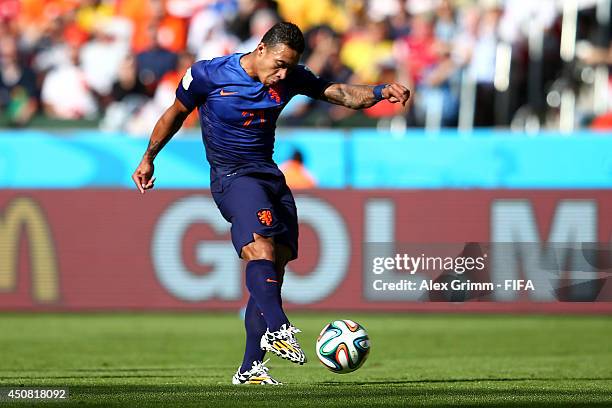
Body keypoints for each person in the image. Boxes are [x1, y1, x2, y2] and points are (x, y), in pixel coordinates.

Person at [131, 22, 410, 385]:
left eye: (288, 68)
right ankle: (279, 328)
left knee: (273, 271)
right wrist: (149, 157)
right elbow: (174, 114)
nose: (280, 75)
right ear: (260, 49)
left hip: (268, 176)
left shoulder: (290, 77)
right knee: (259, 249)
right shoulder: (208, 74)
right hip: (233, 176)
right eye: (277, 64)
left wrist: (379, 90)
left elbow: (339, 92)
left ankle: (250, 369)